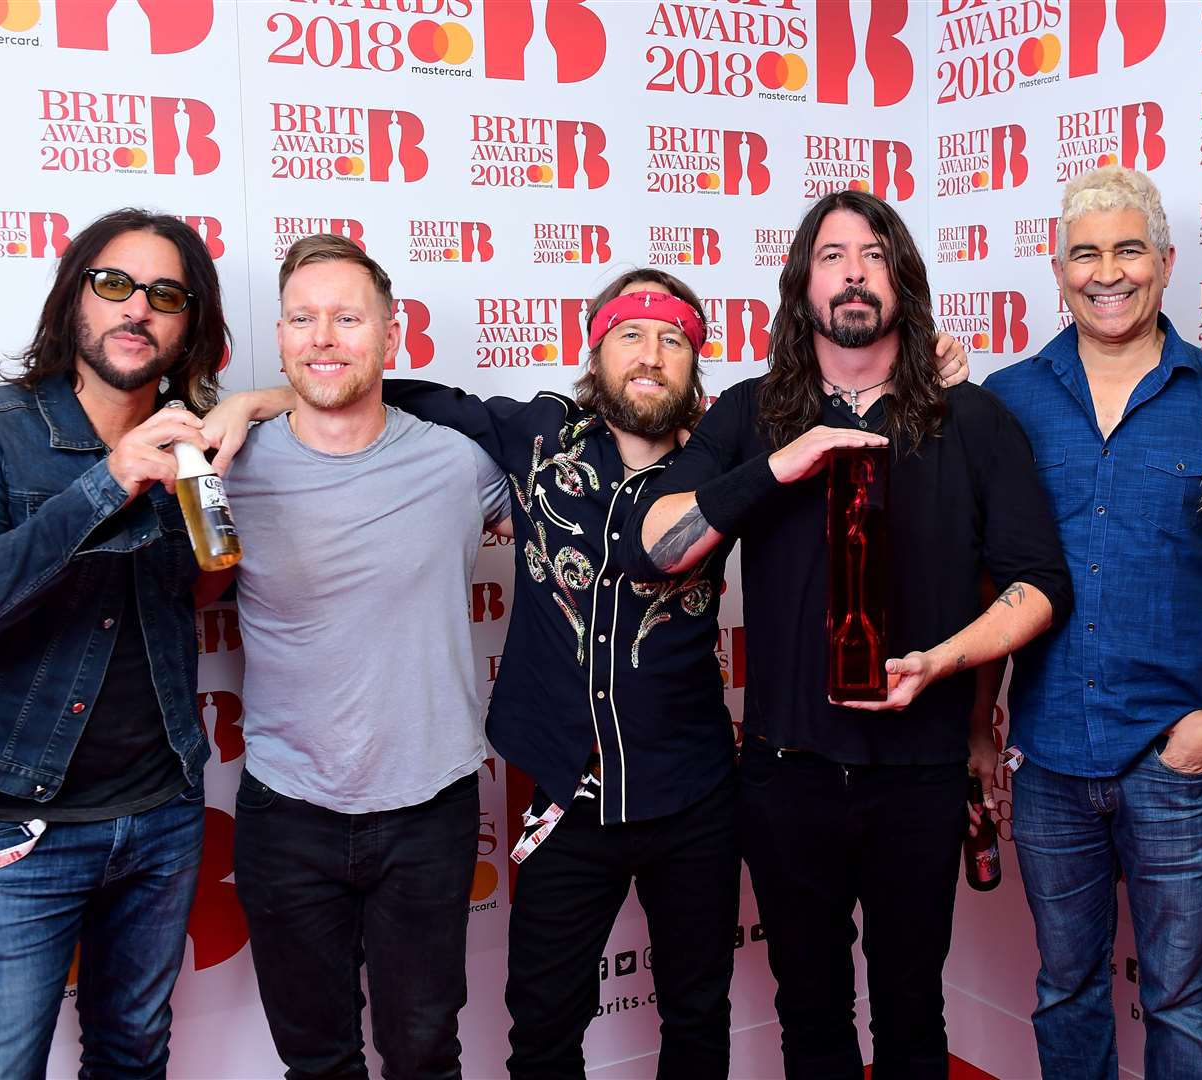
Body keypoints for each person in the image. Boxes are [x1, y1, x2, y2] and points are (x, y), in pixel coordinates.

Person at [207, 268, 974, 1079]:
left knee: (696, 1016)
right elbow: (360, 387)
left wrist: (927, 366)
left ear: (695, 363)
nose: (650, 355)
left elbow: (842, 427)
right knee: (543, 1026)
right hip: (562, 798)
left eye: (673, 339)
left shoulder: (729, 451)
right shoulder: (537, 435)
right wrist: (247, 403)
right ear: (595, 350)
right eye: (630, 335)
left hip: (695, 793)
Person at [622, 190, 1069, 1079]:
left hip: (919, 773)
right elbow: (658, 543)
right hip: (787, 775)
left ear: (901, 278)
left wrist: (945, 661)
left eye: (873, 254)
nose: (854, 272)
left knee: (912, 1012)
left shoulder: (971, 419)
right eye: (831, 255)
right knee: (810, 1014)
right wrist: (784, 461)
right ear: (801, 282)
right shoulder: (750, 413)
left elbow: (1038, 585)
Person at [0, 208, 228, 1077]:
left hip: (160, 814)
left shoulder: (196, 443)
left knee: (134, 1054)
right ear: (74, 296)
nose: (137, 310)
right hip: (16, 825)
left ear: (190, 325)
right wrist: (108, 481)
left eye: (165, 295)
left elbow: (193, 588)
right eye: (114, 284)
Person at [981, 164, 1202, 1080]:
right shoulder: (1006, 400)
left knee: (1179, 998)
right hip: (1049, 752)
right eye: (1085, 253)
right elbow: (989, 581)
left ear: (1166, 263)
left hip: (1177, 754)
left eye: (1128, 249)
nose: (1108, 271)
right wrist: (983, 733)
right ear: (1057, 272)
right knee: (1065, 986)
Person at [218, 234, 509, 1080]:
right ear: (278, 337)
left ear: (391, 335)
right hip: (286, 809)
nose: (323, 338)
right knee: (316, 1059)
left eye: (348, 318)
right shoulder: (225, 465)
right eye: (303, 319)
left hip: (429, 809)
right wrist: (249, 408)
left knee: (423, 1052)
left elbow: (582, 511)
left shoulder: (460, 464)